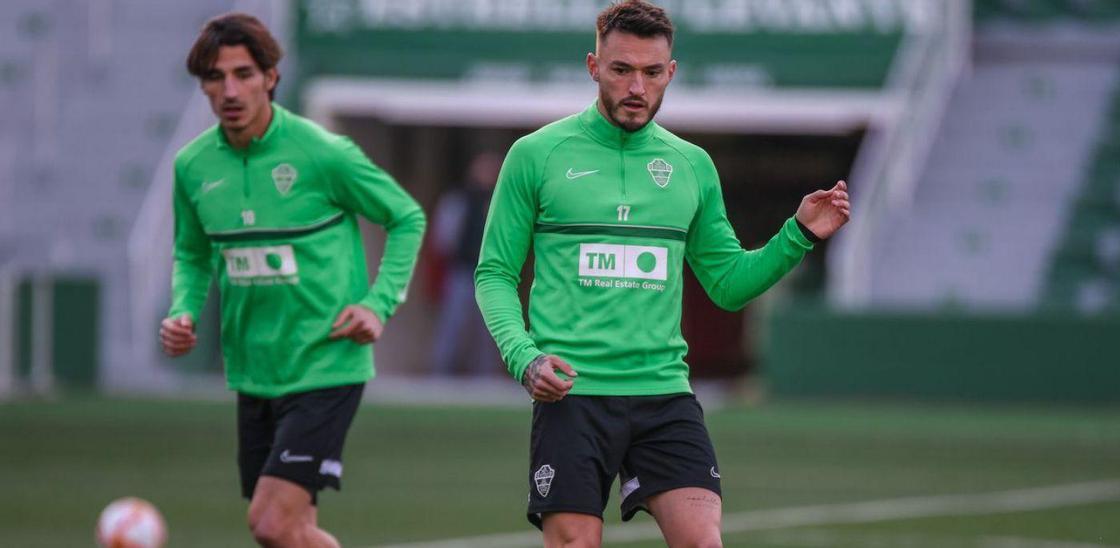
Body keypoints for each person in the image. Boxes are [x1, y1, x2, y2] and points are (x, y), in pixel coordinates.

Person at [474, 2, 850, 546]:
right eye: (621, 69)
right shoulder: (535, 155)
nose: (637, 86)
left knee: (703, 540)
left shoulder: (692, 165)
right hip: (573, 398)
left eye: (652, 73)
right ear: (592, 66)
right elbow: (494, 273)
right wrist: (524, 357)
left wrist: (799, 234)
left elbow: (727, 284)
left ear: (670, 72)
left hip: (664, 395)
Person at [158, 13, 425, 547]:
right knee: (289, 533)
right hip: (255, 369)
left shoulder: (321, 152)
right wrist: (182, 309)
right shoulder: (192, 166)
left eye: (243, 73)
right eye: (215, 77)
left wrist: (378, 304)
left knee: (270, 522)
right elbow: (191, 253)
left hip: (326, 363)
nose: (229, 89)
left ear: (271, 77)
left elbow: (406, 216)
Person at [429, 152, 503, 377]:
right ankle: (440, 374)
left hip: (489, 273)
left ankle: (486, 376)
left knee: (489, 327)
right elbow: (442, 237)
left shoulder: (498, 200)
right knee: (452, 323)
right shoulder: (459, 199)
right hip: (461, 270)